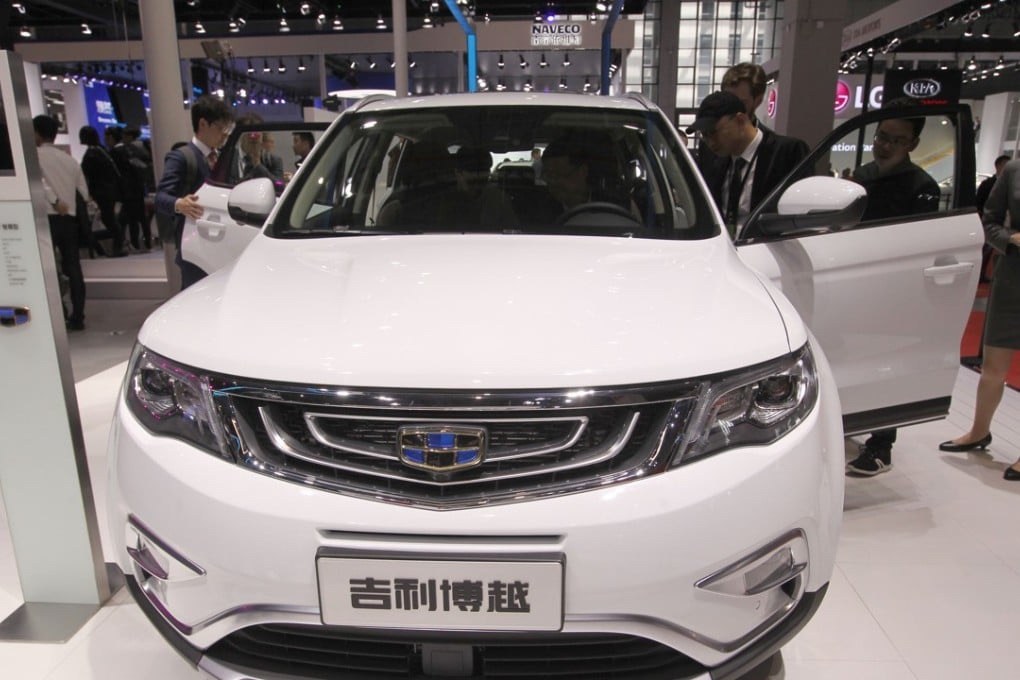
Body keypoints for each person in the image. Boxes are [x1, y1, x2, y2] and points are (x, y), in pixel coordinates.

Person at [845, 103, 941, 477]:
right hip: (853, 282)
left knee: (887, 361)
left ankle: (882, 445)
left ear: (913, 143)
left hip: (895, 289)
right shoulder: (860, 177)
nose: (885, 145)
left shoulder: (922, 187)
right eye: (882, 136)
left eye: (896, 140)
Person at [939, 157, 1020, 481]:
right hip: (1012, 279)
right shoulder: (1014, 171)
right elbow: (988, 221)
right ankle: (978, 431)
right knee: (992, 368)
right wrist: (1010, 240)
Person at [686, 90, 809, 236]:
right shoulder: (712, 158)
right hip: (722, 249)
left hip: (768, 251)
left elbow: (800, 216)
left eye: (713, 132)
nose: (710, 142)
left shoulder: (787, 153)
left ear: (740, 121)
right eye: (704, 135)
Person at [154, 95, 234, 289]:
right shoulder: (182, 157)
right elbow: (161, 197)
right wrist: (179, 204)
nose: (225, 134)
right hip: (194, 246)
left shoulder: (223, 156)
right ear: (203, 124)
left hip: (221, 241)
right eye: (221, 127)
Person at [34, 115, 90, 330]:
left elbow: (38, 183)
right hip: (70, 220)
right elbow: (83, 192)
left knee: (50, 269)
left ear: (37, 132)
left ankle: (59, 315)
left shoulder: (34, 157)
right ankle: (78, 316)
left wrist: (55, 201)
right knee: (74, 268)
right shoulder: (70, 160)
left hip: (46, 218)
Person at [697, 62, 775, 173]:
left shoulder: (782, 152)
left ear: (758, 100)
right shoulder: (709, 149)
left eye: (739, 102)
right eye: (724, 100)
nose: (730, 106)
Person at [436, 146, 517, 229]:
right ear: (457, 173)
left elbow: (512, 231)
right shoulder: (443, 201)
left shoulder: (499, 199)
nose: (477, 187)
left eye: (482, 180)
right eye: (472, 181)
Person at [78, 124, 126, 257]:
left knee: (108, 218)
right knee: (109, 218)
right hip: (108, 190)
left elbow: (86, 173)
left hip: (102, 191)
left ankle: (118, 245)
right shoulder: (102, 151)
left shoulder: (93, 154)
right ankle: (117, 245)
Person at [106, 125, 150, 251]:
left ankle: (133, 244)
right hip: (137, 188)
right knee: (140, 218)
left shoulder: (119, 151)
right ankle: (144, 243)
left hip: (128, 191)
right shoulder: (138, 148)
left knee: (130, 219)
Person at [975, 155, 1011, 283]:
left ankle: (983, 273)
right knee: (984, 249)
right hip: (987, 222)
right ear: (998, 166)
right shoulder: (988, 184)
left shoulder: (1008, 184)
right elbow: (979, 202)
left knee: (992, 251)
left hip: (1001, 225)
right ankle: (978, 274)